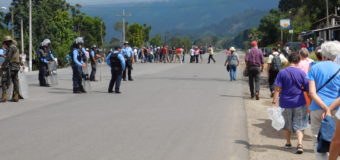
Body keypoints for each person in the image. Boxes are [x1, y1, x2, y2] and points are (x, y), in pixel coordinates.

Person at [307, 41, 340, 160]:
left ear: (323, 54)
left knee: (317, 140)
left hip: (317, 108)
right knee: (336, 140)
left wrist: (325, 108)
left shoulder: (315, 68)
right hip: (336, 110)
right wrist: (329, 109)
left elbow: (311, 92)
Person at [272, 52, 309, 154]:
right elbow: (307, 88)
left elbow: (277, 89)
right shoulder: (302, 73)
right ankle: (300, 143)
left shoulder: (282, 72)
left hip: (285, 102)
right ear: (298, 61)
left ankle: (288, 143)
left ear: (288, 61)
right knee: (300, 123)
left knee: (287, 123)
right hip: (299, 101)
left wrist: (274, 102)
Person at [0, 36, 21, 102]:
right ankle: (16, 96)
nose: (5, 44)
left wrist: (2, 65)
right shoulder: (16, 47)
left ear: (7, 42)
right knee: (15, 81)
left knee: (4, 81)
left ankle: (4, 97)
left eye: (5, 43)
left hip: (11, 66)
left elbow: (8, 58)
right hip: (16, 66)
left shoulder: (11, 48)